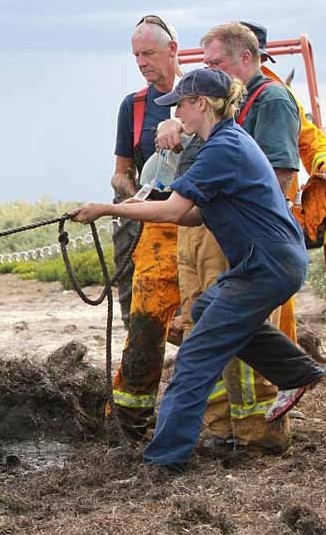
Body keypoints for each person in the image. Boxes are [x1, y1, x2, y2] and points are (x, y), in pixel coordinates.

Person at [71, 67, 325, 469]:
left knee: (196, 355)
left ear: (201, 105)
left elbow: (174, 208)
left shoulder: (224, 148)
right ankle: (298, 371)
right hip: (265, 261)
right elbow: (191, 215)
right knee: (207, 310)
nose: (177, 116)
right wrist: (134, 207)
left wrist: (106, 208)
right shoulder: (222, 144)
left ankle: (164, 459)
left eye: (182, 107)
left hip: (267, 265)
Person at [158, 22, 306, 452]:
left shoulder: (271, 100)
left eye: (215, 62)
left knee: (209, 344)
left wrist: (240, 234)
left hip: (248, 244)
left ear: (246, 57)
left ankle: (258, 435)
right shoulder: (221, 124)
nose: (211, 69)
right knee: (203, 317)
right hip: (217, 231)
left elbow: (276, 178)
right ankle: (223, 428)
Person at [108, 14, 185, 439]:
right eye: (136, 55)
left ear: (173, 50)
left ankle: (212, 411)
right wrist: (128, 190)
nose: (142, 62)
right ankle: (132, 419)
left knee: (201, 316)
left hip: (196, 222)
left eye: (149, 54)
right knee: (141, 320)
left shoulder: (204, 95)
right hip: (147, 221)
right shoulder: (133, 106)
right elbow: (120, 170)